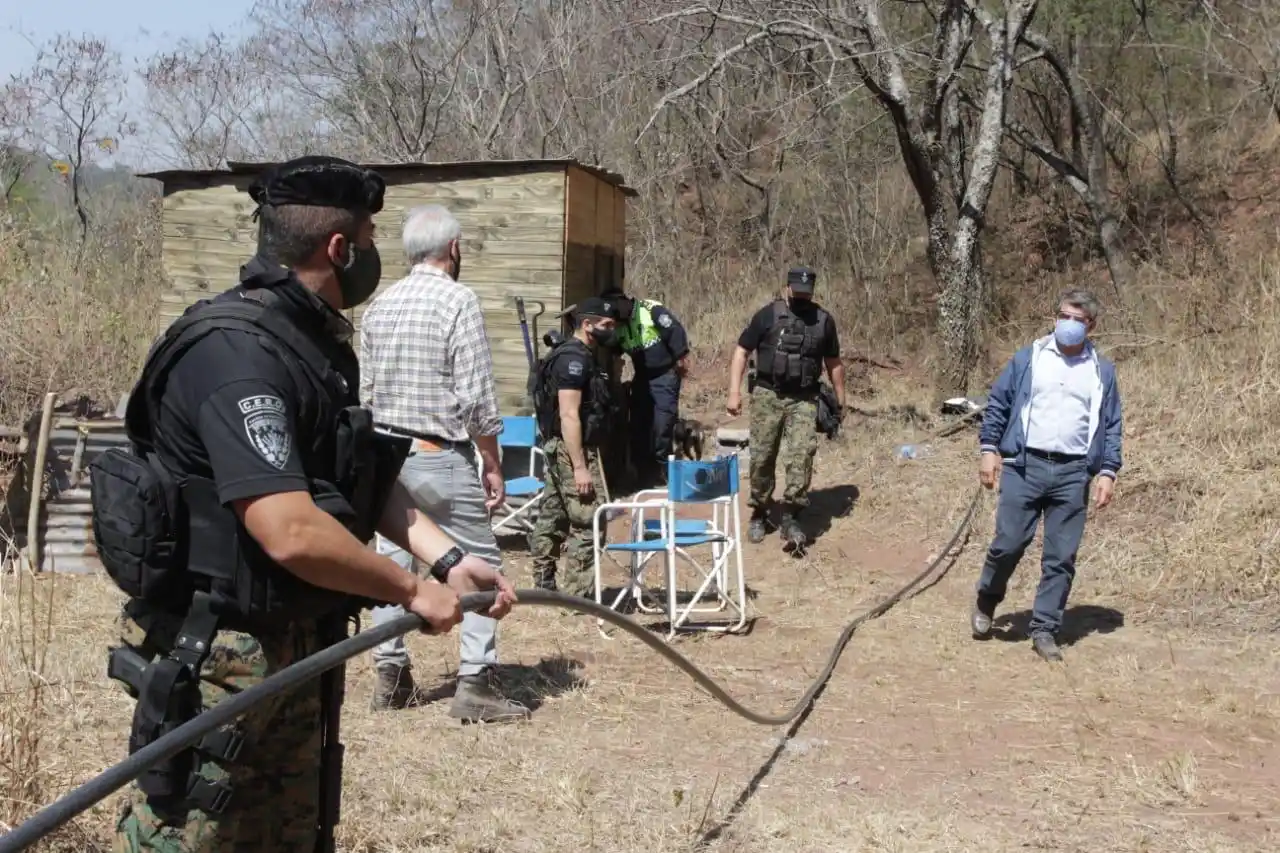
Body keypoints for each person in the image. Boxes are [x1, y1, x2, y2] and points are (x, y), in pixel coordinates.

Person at [93, 156, 516, 852]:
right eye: (373, 238)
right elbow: (288, 528)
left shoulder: (311, 345)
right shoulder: (235, 352)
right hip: (224, 650)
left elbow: (358, 486)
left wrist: (448, 561)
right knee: (192, 830)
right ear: (340, 249)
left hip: (295, 639)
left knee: (286, 831)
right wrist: (409, 588)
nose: (377, 255)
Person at [358, 203, 529, 722]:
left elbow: (365, 391)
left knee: (392, 565)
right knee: (477, 562)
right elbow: (475, 394)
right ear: (453, 249)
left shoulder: (378, 307)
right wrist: (492, 459)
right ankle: (476, 682)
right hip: (441, 453)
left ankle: (390, 673)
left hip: (386, 457)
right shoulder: (458, 301)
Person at [970, 289, 1123, 662]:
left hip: (1073, 472)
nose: (1069, 325)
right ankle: (987, 599)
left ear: (1092, 326)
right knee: (1008, 543)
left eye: (1078, 320)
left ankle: (1044, 629)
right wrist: (989, 448)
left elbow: (1112, 424)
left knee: (1060, 557)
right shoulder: (1029, 359)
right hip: (1026, 465)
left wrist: (1107, 471)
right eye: (1064, 316)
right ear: (1055, 318)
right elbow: (999, 404)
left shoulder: (1101, 371)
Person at [727, 267, 845, 548]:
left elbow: (834, 362)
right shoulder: (768, 315)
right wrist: (734, 392)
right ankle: (760, 510)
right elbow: (742, 351)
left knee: (801, 454)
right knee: (762, 455)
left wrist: (841, 398)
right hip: (768, 395)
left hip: (804, 398)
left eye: (807, 292)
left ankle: (792, 514)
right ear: (787, 288)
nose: (801, 296)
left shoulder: (823, 321)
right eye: (797, 291)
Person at [528, 296, 619, 597]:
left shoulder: (573, 354)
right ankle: (577, 596)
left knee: (553, 512)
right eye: (606, 325)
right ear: (587, 324)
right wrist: (580, 467)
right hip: (573, 449)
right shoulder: (574, 360)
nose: (611, 330)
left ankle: (543, 583)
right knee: (589, 518)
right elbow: (569, 414)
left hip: (559, 447)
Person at [600, 286, 691, 488]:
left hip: (665, 375)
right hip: (642, 377)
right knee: (639, 427)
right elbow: (611, 349)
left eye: (616, 309)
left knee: (662, 426)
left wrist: (681, 359)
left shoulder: (650, 310)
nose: (614, 315)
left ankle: (668, 475)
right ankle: (644, 476)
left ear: (625, 302)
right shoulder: (617, 326)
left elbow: (675, 331)